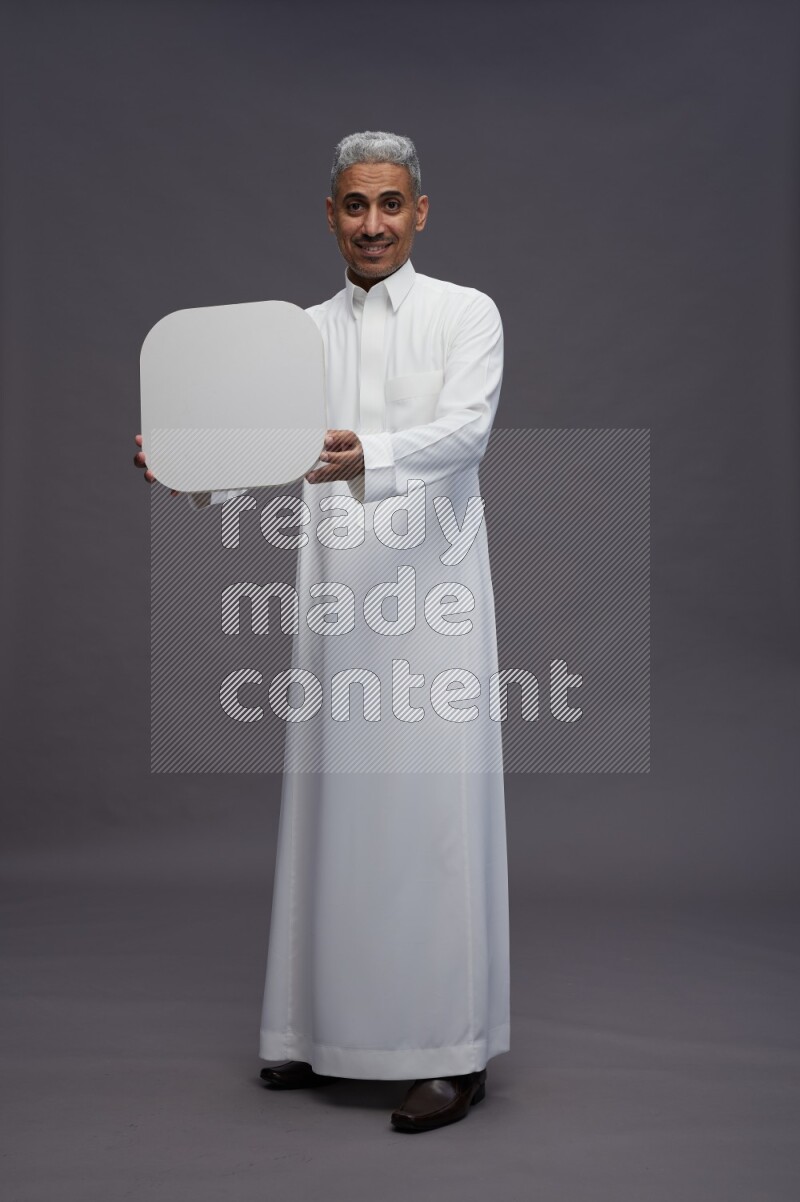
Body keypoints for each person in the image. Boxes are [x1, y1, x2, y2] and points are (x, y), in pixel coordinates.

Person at [134, 130, 509, 1133]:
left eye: (391, 204)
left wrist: (364, 455)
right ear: (331, 215)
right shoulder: (295, 334)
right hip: (337, 600)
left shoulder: (464, 313)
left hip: (429, 602)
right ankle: (312, 1029)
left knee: (430, 823)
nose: (373, 224)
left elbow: (467, 428)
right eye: (354, 206)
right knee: (334, 810)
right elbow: (254, 452)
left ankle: (448, 1049)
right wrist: (187, 464)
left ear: (419, 211)